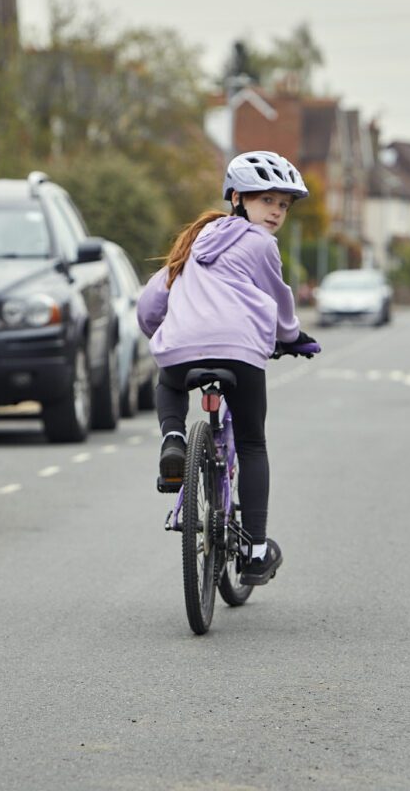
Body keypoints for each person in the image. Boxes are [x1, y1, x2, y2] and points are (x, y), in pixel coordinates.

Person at [137, 150, 318, 586]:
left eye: (283, 204)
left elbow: (150, 304)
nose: (275, 211)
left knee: (170, 380)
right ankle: (255, 551)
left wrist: (158, 331)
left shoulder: (193, 241)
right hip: (239, 351)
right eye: (266, 200)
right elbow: (278, 300)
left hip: (181, 348)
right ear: (237, 198)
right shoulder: (260, 244)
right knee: (253, 444)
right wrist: (292, 338)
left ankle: (175, 439)